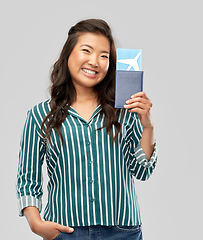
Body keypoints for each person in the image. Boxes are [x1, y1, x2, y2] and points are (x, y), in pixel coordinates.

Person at [16, 19, 157, 240]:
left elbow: (142, 171)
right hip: (66, 232)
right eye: (87, 51)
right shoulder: (40, 116)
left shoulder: (123, 111)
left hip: (122, 232)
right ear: (68, 54)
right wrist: (36, 224)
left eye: (104, 56)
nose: (95, 61)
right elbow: (27, 179)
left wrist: (147, 125)